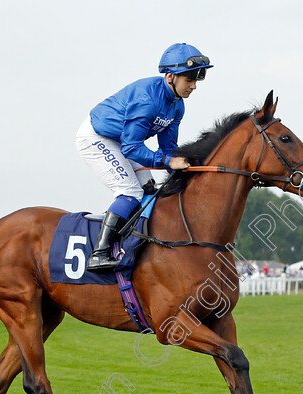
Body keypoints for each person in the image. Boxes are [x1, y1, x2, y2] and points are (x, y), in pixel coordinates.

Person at [75, 42, 213, 271]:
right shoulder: (147, 100)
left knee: (149, 191)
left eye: (196, 80)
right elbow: (131, 147)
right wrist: (168, 162)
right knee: (130, 192)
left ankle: (136, 245)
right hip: (97, 137)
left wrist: (186, 169)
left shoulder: (177, 106)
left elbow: (168, 147)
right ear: (170, 76)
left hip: (124, 141)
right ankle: (99, 253)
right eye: (189, 80)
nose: (194, 86)